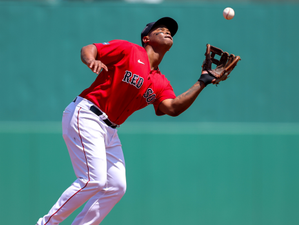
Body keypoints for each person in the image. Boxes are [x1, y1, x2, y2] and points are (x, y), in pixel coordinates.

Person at [36, 17, 222, 225]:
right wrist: (91, 60)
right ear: (147, 38)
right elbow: (90, 49)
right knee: (93, 180)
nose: (167, 32)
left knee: (116, 187)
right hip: (88, 114)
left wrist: (202, 81)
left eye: (170, 31)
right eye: (160, 29)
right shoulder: (130, 50)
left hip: (110, 130)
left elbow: (172, 108)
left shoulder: (160, 81)